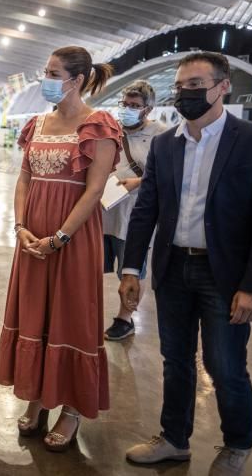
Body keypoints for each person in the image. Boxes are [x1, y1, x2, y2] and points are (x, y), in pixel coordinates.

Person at [120, 52, 252, 475]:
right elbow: (147, 209)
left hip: (225, 275)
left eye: (196, 85)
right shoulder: (167, 143)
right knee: (175, 359)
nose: (186, 93)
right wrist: (131, 269)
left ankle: (237, 444)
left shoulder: (251, 141)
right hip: (173, 268)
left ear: (223, 88)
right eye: (181, 85)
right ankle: (174, 440)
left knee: (224, 366)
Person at [0, 46, 120, 452]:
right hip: (32, 238)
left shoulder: (98, 125)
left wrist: (61, 237)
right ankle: (36, 396)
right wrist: (20, 227)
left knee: (70, 316)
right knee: (36, 314)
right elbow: (24, 180)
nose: (45, 79)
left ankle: (70, 409)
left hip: (73, 239)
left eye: (53, 73)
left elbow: (96, 189)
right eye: (45, 71)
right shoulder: (36, 124)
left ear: (78, 79)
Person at [102, 81, 167, 341]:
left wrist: (137, 182)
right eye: (125, 104)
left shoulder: (161, 135)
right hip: (106, 211)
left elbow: (166, 174)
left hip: (134, 216)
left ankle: (125, 319)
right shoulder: (112, 130)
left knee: (129, 272)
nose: (128, 109)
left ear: (147, 109)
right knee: (95, 264)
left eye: (134, 106)